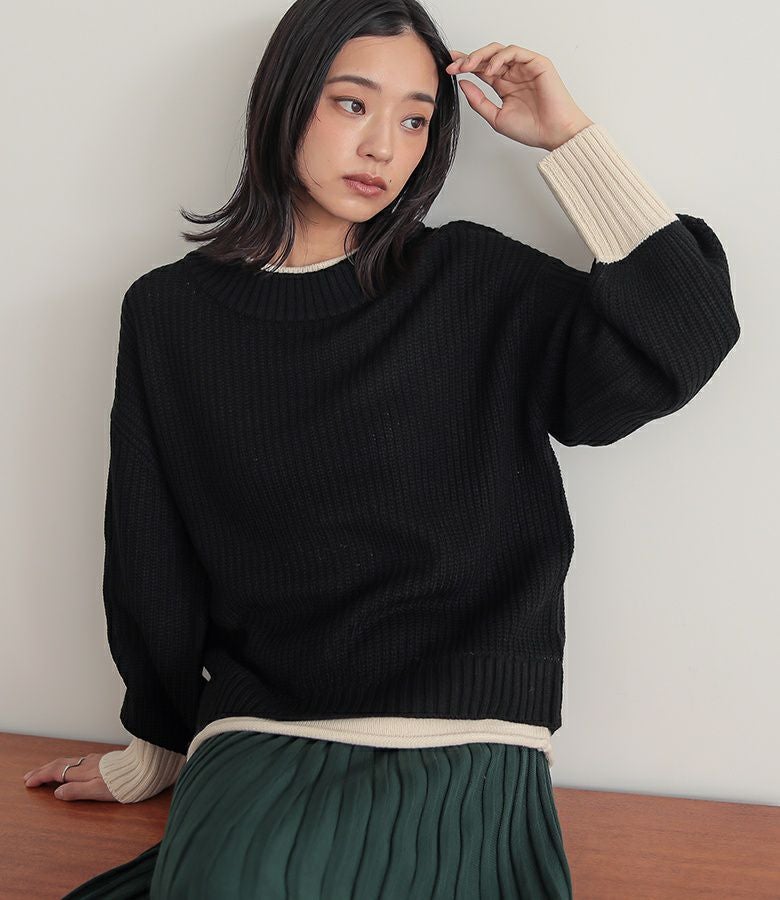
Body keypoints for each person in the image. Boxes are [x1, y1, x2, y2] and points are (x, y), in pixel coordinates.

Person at [23, 0, 740, 897]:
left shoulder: (471, 280)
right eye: (352, 104)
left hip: (467, 733)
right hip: (261, 730)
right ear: (286, 99)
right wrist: (156, 748)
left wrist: (569, 138)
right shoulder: (169, 314)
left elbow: (684, 335)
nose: (382, 148)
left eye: (414, 120)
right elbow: (150, 554)